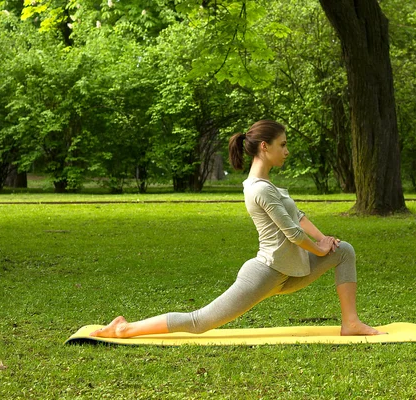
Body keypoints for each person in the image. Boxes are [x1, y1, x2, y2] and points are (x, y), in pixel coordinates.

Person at [90, 120, 384, 338]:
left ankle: (351, 322)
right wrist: (317, 248)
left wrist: (324, 239)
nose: (287, 151)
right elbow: (292, 234)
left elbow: (300, 218)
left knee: (343, 251)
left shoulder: (271, 186)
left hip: (291, 270)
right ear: (264, 147)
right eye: (282, 144)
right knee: (199, 322)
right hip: (266, 273)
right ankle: (125, 328)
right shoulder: (259, 189)